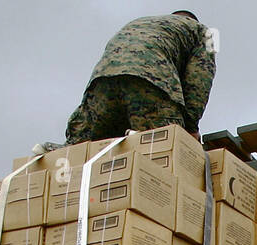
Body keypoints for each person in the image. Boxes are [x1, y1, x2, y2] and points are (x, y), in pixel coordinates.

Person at [65, 11, 216, 145]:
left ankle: (47, 152)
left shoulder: (141, 22)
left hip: (101, 84)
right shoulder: (205, 32)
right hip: (149, 82)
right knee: (166, 144)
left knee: (83, 147)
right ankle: (141, 142)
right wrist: (190, 127)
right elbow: (199, 80)